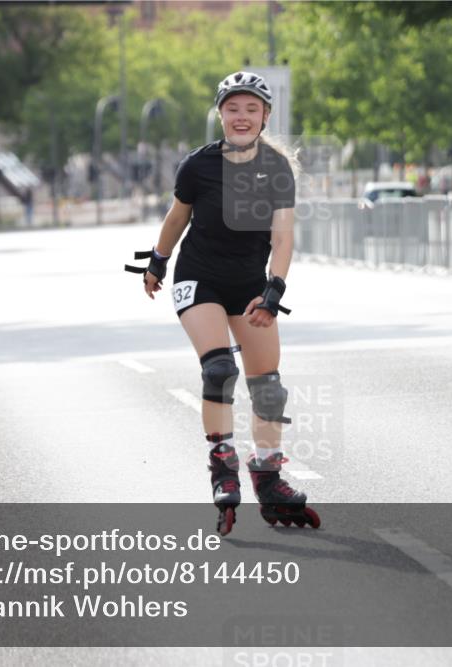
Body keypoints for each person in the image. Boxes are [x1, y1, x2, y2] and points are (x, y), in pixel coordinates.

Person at [124, 71, 319, 535]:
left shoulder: (277, 170)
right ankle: (222, 464)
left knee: (269, 386)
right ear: (220, 113)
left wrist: (275, 289)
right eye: (233, 108)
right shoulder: (198, 165)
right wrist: (157, 262)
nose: (242, 116)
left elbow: (283, 234)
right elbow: (177, 218)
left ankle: (268, 477)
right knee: (218, 370)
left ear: (265, 116)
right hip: (200, 277)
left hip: (249, 283)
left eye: (252, 109)